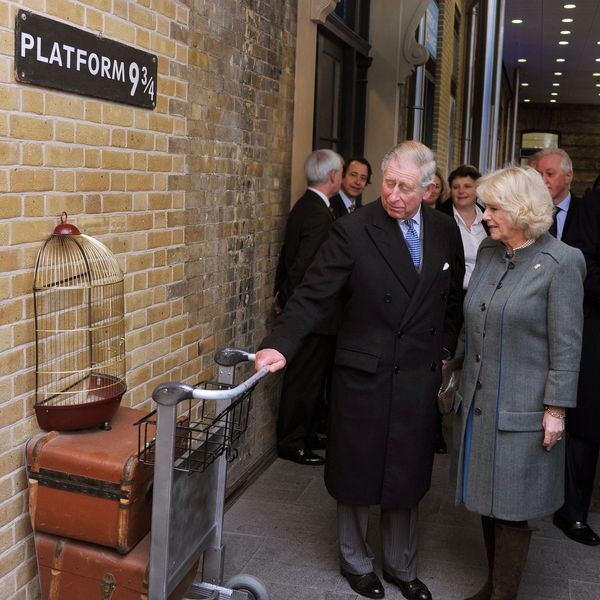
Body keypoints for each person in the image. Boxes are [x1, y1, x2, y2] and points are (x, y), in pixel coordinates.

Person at [257, 140, 465, 600]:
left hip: (416, 373)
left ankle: (401, 566)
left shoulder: (444, 231)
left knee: (406, 471)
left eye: (405, 187)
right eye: (388, 183)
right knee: (357, 467)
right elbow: (313, 294)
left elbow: (451, 299)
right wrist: (280, 344)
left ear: (429, 189)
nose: (392, 195)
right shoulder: (353, 229)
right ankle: (356, 561)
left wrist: (446, 346)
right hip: (364, 372)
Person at [453, 165, 585, 600]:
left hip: (525, 409)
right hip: (480, 401)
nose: (484, 214)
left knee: (511, 508)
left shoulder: (562, 262)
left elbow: (567, 345)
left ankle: (503, 594)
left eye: (492, 207)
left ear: (521, 209)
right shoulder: (491, 253)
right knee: (488, 502)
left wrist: (555, 409)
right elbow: (474, 318)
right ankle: (495, 586)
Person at [272, 148, 343, 466]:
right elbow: (305, 266)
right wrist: (287, 300)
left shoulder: (306, 205)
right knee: (303, 378)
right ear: (333, 176)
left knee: (311, 378)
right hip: (311, 314)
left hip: (307, 311)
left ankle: (309, 432)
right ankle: (292, 441)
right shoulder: (317, 212)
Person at [551, 189, 600, 546]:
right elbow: (586, 265)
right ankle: (572, 512)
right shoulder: (592, 207)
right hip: (597, 331)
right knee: (586, 428)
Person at [439, 164, 489, 292]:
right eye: (456, 187)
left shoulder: (489, 219)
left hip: (485, 294)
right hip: (452, 297)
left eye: (467, 186)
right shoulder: (440, 219)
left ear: (477, 189)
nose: (461, 191)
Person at [530, 148, 579, 244]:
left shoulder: (585, 211)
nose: (543, 180)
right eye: (539, 174)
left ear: (568, 176)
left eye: (550, 174)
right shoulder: (529, 210)